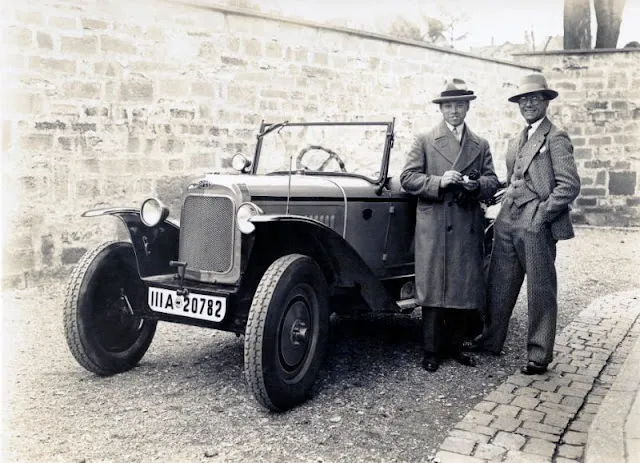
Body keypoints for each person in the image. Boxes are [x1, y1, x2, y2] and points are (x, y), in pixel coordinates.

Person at [474, 73, 581, 375]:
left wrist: (541, 215)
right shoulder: (515, 139)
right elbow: (514, 179)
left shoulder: (556, 137)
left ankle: (539, 353)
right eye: (523, 99)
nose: (529, 104)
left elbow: (569, 185)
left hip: (536, 224)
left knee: (540, 288)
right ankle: (491, 340)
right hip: (508, 220)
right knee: (499, 283)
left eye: (535, 98)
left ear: (546, 101)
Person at [400, 78, 500, 372]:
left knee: (461, 287)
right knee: (433, 289)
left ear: (467, 107)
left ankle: (455, 347)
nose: (454, 111)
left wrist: (475, 185)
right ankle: (431, 351)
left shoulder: (480, 144)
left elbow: (492, 182)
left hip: (466, 222)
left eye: (459, 105)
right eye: (448, 106)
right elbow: (407, 178)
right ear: (441, 109)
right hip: (435, 225)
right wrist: (439, 181)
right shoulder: (425, 140)